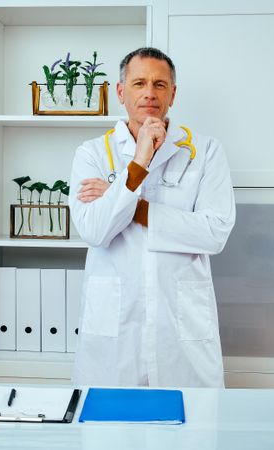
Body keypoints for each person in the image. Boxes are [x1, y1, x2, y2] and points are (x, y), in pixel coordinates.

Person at [68, 47, 236, 388]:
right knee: (109, 436)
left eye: (160, 84)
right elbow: (95, 231)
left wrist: (129, 203)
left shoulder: (204, 151)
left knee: (189, 433)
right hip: (115, 328)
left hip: (180, 326)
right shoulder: (92, 154)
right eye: (139, 83)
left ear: (172, 94)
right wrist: (139, 161)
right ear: (120, 92)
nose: (149, 93)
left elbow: (214, 232)